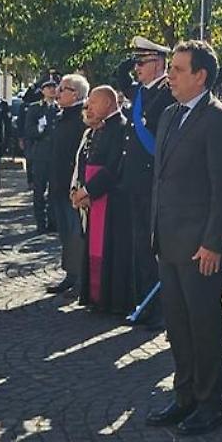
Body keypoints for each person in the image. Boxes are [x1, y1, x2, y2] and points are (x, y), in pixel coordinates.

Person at [145, 40, 222, 436]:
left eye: (179, 69)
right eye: (171, 68)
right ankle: (184, 395)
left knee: (204, 324)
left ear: (201, 75)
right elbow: (162, 178)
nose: (171, 75)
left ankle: (210, 403)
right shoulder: (169, 114)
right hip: (168, 239)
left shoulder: (219, 118)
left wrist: (214, 241)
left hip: (200, 244)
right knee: (178, 324)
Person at [115, 36, 176, 330]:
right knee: (139, 246)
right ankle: (143, 301)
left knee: (154, 250)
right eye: (136, 62)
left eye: (142, 62)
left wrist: (162, 58)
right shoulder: (139, 91)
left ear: (159, 64)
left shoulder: (168, 92)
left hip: (154, 181)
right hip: (135, 182)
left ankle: (158, 308)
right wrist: (136, 59)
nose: (136, 68)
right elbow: (118, 74)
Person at [71, 85, 134, 314]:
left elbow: (113, 167)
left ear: (108, 103)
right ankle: (95, 297)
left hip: (112, 201)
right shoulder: (98, 128)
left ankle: (111, 301)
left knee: (112, 252)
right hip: (94, 198)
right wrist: (78, 190)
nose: (89, 106)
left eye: (94, 102)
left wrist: (87, 191)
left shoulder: (121, 127)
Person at [45, 73, 90, 295]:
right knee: (65, 234)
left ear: (77, 94)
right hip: (58, 184)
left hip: (74, 187)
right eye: (59, 88)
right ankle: (70, 275)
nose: (58, 92)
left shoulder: (83, 118)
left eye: (63, 89)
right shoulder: (60, 116)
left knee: (76, 234)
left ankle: (82, 278)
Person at [23, 76, 61, 233]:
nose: (52, 89)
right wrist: (39, 129)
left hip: (57, 153)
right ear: (42, 90)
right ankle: (41, 222)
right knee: (39, 189)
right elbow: (28, 131)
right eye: (48, 87)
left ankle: (53, 221)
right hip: (41, 151)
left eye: (54, 86)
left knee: (55, 190)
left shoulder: (61, 108)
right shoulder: (35, 108)